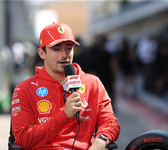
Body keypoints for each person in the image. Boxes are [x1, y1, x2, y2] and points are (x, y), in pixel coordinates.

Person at [11, 22, 120, 150]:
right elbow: (24, 139)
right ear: (42, 53)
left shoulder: (92, 83)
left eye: (69, 48)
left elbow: (111, 123)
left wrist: (99, 144)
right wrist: (64, 115)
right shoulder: (24, 89)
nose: (64, 54)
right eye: (56, 49)